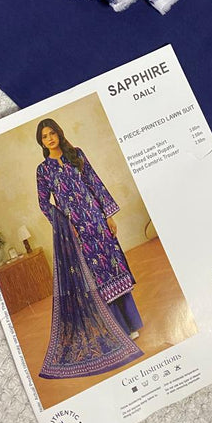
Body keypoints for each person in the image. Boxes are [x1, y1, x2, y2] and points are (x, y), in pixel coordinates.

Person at [36, 118, 143, 340]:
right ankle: (119, 330)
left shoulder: (76, 154)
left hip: (97, 220)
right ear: (41, 142)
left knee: (113, 266)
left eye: (52, 133)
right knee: (96, 276)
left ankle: (132, 323)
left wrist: (108, 215)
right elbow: (44, 203)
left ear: (59, 133)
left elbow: (95, 183)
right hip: (76, 229)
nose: (50, 138)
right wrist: (64, 226)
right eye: (45, 136)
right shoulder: (43, 170)